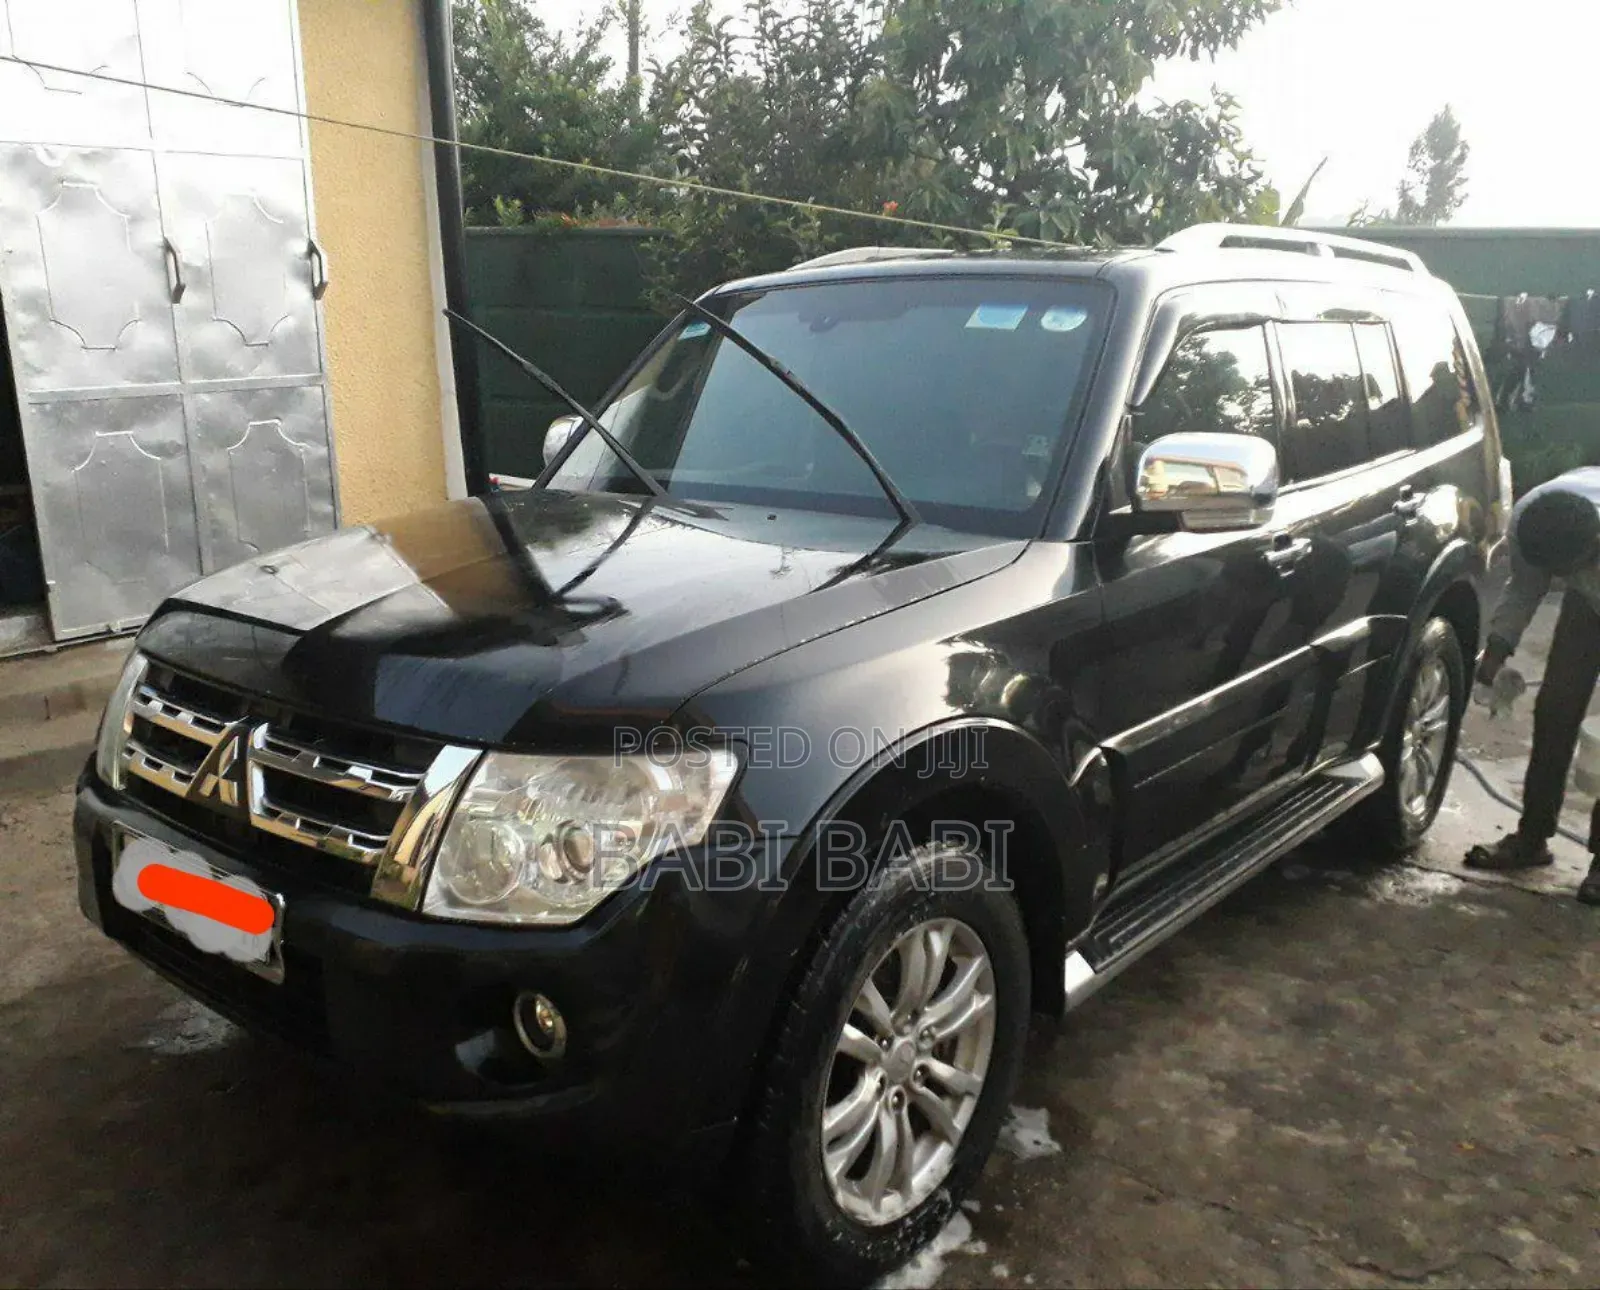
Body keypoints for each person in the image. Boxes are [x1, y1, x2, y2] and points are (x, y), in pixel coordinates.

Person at [1467, 469, 1600, 904]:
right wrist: (1495, 653)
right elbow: (1524, 589)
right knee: (1555, 711)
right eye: (1558, 574)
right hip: (1587, 608)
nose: (1564, 578)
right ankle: (1532, 837)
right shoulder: (1530, 525)